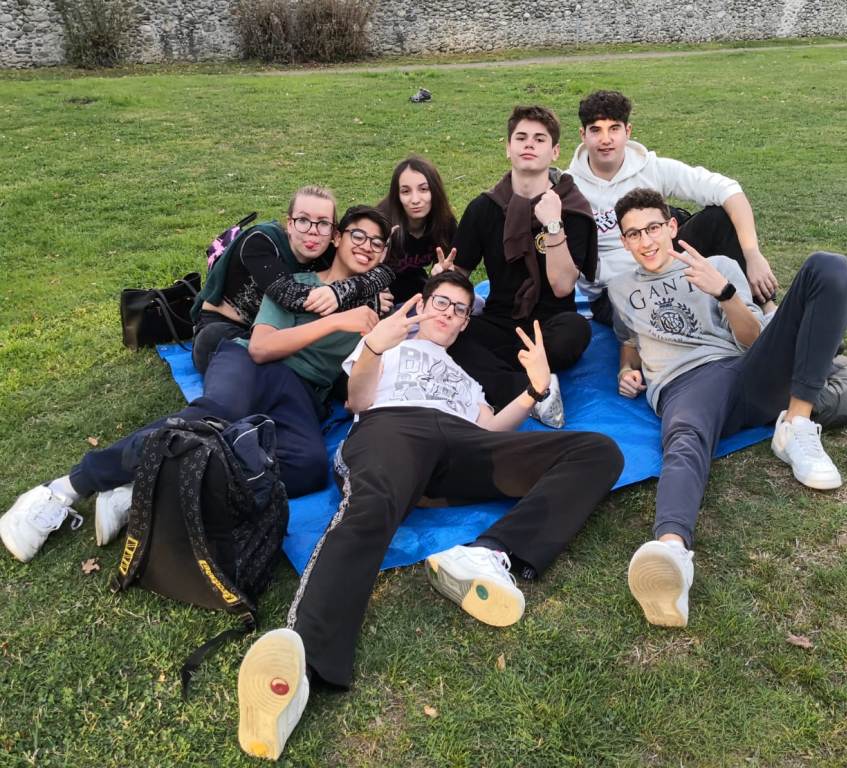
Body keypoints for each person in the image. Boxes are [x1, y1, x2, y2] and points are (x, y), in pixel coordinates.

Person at [235, 271, 624, 761]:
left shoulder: (466, 379)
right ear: (423, 306)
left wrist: (533, 391)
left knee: (599, 451)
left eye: (460, 309)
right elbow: (358, 400)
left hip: (462, 446)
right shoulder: (388, 345)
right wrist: (373, 347)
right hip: (393, 429)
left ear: (464, 325)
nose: (449, 313)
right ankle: (302, 665)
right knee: (371, 508)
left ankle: (489, 554)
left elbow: (493, 433)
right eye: (442, 302)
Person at [0, 206, 392, 563]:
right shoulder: (297, 283)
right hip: (248, 362)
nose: (366, 246)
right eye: (358, 235)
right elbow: (261, 347)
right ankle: (63, 489)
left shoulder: (375, 312)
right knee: (213, 415)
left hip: (302, 393)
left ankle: (146, 487)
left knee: (308, 467)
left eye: (377, 242)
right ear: (338, 237)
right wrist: (336, 321)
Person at [607, 188, 847, 629]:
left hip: (746, 370)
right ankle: (672, 553)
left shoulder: (718, 265)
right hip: (686, 386)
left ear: (671, 227)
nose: (646, 241)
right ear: (624, 242)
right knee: (685, 441)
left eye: (653, 228)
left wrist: (724, 293)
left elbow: (753, 339)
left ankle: (796, 423)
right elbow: (629, 339)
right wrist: (628, 369)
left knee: (828, 266)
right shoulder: (620, 289)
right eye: (634, 234)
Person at [443, 105, 598, 428]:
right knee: (450, 335)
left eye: (540, 139)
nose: (529, 144)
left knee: (576, 333)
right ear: (508, 148)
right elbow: (458, 274)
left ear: (555, 152)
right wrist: (444, 278)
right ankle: (529, 387)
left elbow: (562, 287)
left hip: (552, 325)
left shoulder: (572, 207)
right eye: (521, 137)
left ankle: (500, 377)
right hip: (501, 320)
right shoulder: (484, 208)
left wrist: (553, 225)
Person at [567, 90, 779, 322]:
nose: (606, 139)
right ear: (583, 135)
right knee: (666, 321)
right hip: (616, 289)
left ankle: (767, 310)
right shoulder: (568, 188)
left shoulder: (652, 168)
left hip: (665, 262)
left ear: (628, 131)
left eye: (614, 129)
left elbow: (729, 190)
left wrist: (753, 255)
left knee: (718, 218)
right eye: (596, 130)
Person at [190, 185, 395, 373]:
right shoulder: (261, 241)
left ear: (334, 233)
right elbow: (289, 296)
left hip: (278, 330)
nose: (313, 231)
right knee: (214, 341)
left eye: (323, 223)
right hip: (227, 324)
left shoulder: (323, 249)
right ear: (289, 224)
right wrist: (361, 298)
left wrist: (351, 290)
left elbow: (384, 271)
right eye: (303, 220)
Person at [376, 155, 458, 305]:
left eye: (423, 189)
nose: (415, 200)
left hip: (418, 291)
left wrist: (441, 275)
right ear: (397, 195)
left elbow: (448, 273)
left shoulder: (445, 223)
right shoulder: (381, 223)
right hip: (382, 299)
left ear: (435, 191)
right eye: (405, 191)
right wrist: (372, 295)